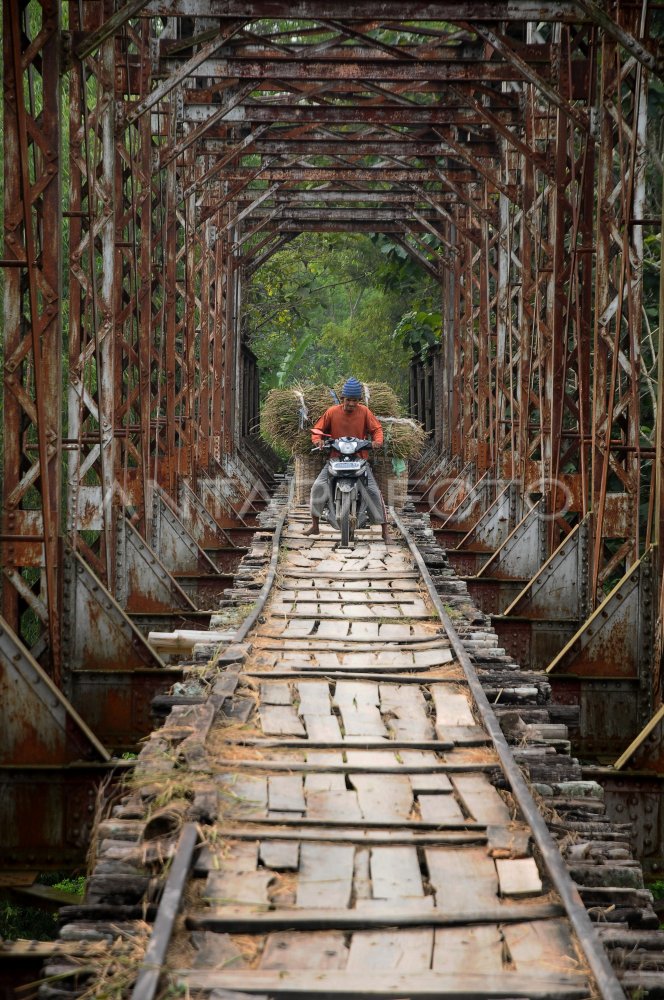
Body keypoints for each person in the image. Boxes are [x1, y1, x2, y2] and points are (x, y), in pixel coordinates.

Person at [304, 377, 389, 543]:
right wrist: (318, 440)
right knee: (318, 487)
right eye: (348, 400)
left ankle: (385, 532)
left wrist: (377, 441)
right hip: (336, 458)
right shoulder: (332, 412)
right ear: (342, 398)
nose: (351, 403)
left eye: (355, 400)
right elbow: (318, 430)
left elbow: (377, 429)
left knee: (373, 491)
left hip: (360, 459)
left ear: (359, 400)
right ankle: (315, 525)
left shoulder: (364, 411)